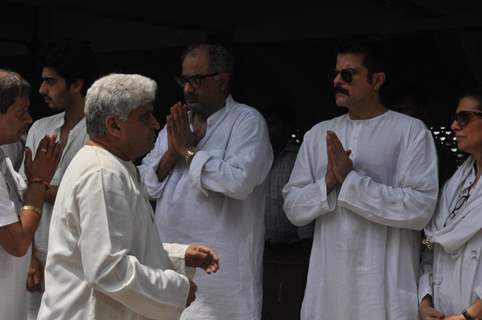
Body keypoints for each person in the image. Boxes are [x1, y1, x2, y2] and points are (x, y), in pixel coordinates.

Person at [37, 73, 219, 320]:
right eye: (145, 117)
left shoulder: (114, 165)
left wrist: (178, 256)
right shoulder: (101, 173)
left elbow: (116, 246)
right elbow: (107, 269)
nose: (156, 124)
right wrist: (176, 291)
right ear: (114, 126)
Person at [282, 41, 439, 319]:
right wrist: (329, 182)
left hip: (382, 289)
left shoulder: (411, 132)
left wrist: (351, 181)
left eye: (348, 74)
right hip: (328, 289)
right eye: (335, 73)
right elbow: (293, 209)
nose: (337, 81)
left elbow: (420, 208)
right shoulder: (318, 134)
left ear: (376, 80)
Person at [139, 43, 273, 319]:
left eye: (196, 80)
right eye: (184, 80)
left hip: (223, 277)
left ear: (222, 80)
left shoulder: (247, 122)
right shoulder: (175, 125)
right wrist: (173, 152)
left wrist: (188, 152)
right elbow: (144, 185)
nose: (187, 89)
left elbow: (239, 182)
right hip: (170, 266)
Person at [19, 39, 97, 318]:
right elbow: (20, 196)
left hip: (80, 262)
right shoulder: (41, 128)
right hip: (35, 255)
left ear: (76, 84)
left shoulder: (99, 133)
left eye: (51, 82)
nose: (42, 90)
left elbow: (92, 194)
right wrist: (27, 258)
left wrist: (37, 186)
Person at [0, 69, 61, 320]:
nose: (28, 119)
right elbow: (17, 241)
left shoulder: (3, 157)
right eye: (20, 112)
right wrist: (39, 182)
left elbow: (20, 210)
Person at [419, 88, 482, 320]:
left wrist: (469, 315)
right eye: (454, 119)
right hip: (443, 311)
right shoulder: (453, 186)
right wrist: (425, 302)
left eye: (464, 118)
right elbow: (430, 246)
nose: (455, 126)